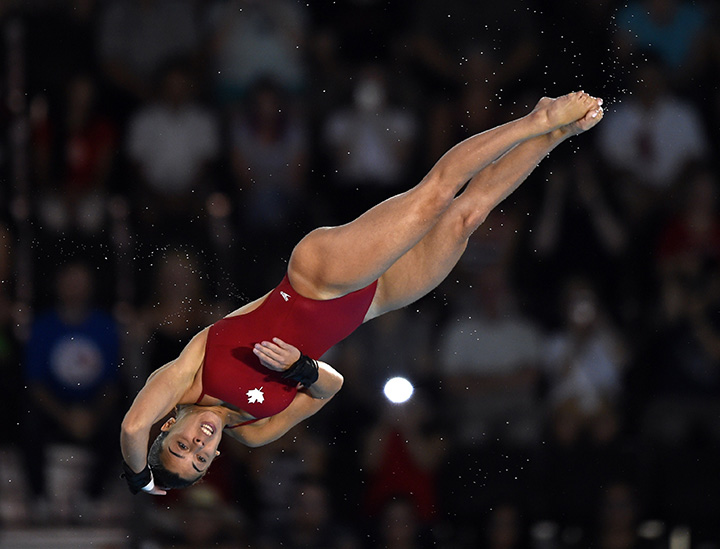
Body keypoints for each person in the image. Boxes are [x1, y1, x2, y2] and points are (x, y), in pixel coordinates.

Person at [120, 91, 604, 495]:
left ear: (168, 427)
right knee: (465, 217)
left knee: (434, 195)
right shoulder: (254, 431)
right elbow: (329, 387)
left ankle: (536, 118)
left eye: (181, 446)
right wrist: (301, 369)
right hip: (369, 304)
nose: (198, 445)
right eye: (201, 461)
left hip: (318, 278)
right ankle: (554, 136)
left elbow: (130, 428)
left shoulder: (185, 377)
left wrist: (141, 482)